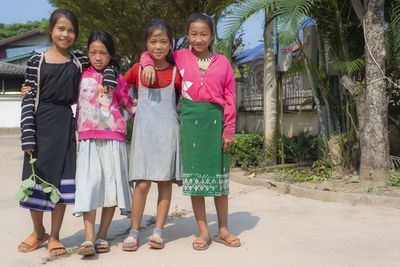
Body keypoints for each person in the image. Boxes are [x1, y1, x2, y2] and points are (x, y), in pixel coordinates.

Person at [18, 9, 117, 256]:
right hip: (39, 126)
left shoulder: (79, 61)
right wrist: (27, 134)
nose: (65, 34)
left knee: (60, 185)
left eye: (71, 30)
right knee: (35, 181)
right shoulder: (35, 62)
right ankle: (37, 231)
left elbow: (107, 61)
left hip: (66, 124)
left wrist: (109, 76)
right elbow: (28, 100)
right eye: (61, 28)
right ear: (51, 30)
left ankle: (54, 236)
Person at [140, 13, 240, 250]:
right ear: (187, 36)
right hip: (191, 121)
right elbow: (153, 52)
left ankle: (223, 230)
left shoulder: (223, 63)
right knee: (196, 180)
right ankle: (204, 232)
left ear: (212, 36)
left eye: (203, 34)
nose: (198, 39)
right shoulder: (180, 57)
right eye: (193, 34)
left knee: (219, 180)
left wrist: (229, 129)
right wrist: (146, 63)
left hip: (215, 122)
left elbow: (230, 97)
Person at [73, 30, 137, 256]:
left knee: (111, 187)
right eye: (93, 52)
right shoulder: (79, 76)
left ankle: (102, 235)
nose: (98, 57)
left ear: (111, 55)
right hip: (88, 139)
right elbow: (65, 96)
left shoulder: (118, 79)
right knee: (89, 186)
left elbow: (130, 106)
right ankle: (88, 239)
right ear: (87, 53)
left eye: (103, 52)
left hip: (114, 139)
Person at [122, 19, 182, 251]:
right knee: (142, 184)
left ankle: (158, 231)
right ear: (146, 43)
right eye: (153, 41)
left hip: (168, 133)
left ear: (170, 44)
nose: (158, 46)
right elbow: (119, 89)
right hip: (144, 135)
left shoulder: (177, 72)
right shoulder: (138, 69)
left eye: (163, 41)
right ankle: (134, 231)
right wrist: (130, 110)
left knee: (164, 184)